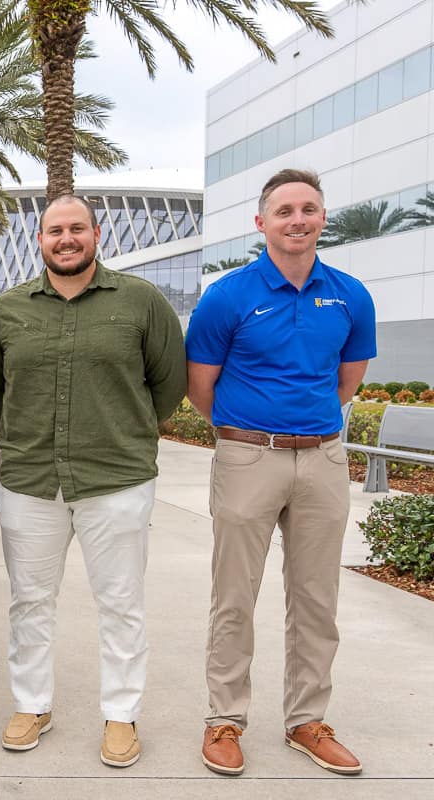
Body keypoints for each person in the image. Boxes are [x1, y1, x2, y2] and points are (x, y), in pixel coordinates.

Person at [0, 194, 187, 768]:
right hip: (29, 482)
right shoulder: (6, 310)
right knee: (29, 602)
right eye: (54, 231)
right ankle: (32, 704)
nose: (65, 239)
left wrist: (123, 434)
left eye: (76, 229)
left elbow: (168, 385)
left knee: (121, 604)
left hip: (116, 481)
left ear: (97, 234)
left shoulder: (141, 301)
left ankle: (121, 714)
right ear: (39, 240)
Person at [187, 169, 375, 777]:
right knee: (234, 598)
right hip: (248, 458)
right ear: (261, 222)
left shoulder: (350, 295)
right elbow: (201, 389)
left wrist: (305, 431)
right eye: (285, 210)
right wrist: (251, 433)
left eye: (309, 209)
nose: (298, 220)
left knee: (318, 599)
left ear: (323, 218)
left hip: (323, 459)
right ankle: (224, 718)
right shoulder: (227, 296)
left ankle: (307, 720)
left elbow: (347, 382)